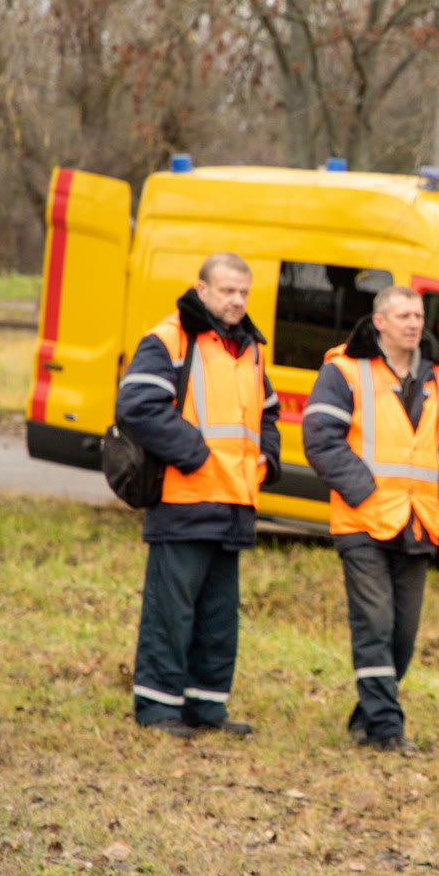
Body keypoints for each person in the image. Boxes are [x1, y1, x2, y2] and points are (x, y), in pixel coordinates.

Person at [117, 252, 281, 739]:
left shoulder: (249, 347)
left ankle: (207, 708)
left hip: (234, 501)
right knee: (171, 611)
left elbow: (267, 413)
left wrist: (266, 460)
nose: (237, 300)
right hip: (184, 498)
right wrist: (194, 453)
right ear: (202, 289)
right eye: (227, 290)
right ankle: (158, 708)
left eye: (243, 292)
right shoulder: (169, 337)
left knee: (217, 615)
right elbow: (136, 404)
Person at [305, 286, 439, 753]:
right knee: (374, 624)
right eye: (403, 315)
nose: (413, 323)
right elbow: (319, 439)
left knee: (403, 637)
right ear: (379, 322)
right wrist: (365, 491)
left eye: (417, 315)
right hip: (363, 520)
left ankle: (367, 715)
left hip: (420, 521)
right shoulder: (343, 371)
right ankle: (385, 728)